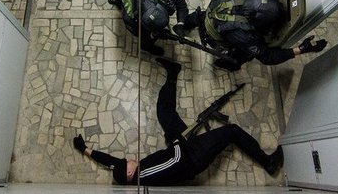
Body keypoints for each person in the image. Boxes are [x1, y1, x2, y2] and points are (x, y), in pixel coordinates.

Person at [73, 57, 284, 185]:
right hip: (192, 156)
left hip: (179, 146)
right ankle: (268, 163)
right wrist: (176, 141)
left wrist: (86, 149)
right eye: (127, 162)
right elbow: (176, 161)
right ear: (131, 172)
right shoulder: (146, 174)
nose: (128, 158)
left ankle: (173, 73)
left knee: (164, 112)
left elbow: (110, 161)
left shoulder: (126, 173)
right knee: (233, 132)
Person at [183, 0, 327, 71]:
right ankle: (227, 64)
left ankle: (185, 22)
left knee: (204, 16)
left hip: (214, 9)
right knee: (242, 55)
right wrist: (300, 49)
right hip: (215, 32)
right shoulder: (243, 34)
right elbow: (267, 57)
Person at [108, 0, 189, 56]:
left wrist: (180, 24)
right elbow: (137, 33)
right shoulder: (130, 17)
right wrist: (153, 35)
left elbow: (181, 4)